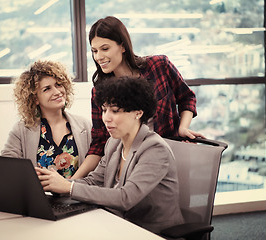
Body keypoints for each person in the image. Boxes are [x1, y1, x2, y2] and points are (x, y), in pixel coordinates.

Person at [36, 76, 184, 234]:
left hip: (152, 232)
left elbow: (126, 197)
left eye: (115, 111)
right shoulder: (114, 143)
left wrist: (69, 187)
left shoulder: (155, 149)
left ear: (138, 113)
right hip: (117, 225)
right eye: (104, 110)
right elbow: (94, 180)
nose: (106, 118)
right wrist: (56, 183)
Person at [71, 15, 204, 179]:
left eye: (105, 49)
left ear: (122, 46)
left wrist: (182, 128)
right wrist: (72, 181)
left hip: (170, 157)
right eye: (94, 51)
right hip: (130, 168)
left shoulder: (159, 66)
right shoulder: (100, 91)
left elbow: (186, 98)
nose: (98, 57)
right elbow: (99, 143)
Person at [1, 60, 91, 179]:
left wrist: (69, 186)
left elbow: (97, 168)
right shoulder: (21, 129)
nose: (57, 92)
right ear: (35, 99)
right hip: (39, 196)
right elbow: (7, 165)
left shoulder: (85, 125)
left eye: (58, 84)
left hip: (76, 195)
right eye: (47, 89)